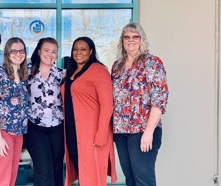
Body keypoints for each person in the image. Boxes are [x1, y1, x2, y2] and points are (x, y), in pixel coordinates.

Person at [111, 22, 169, 186]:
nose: (131, 40)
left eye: (135, 37)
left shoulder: (152, 63)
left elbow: (160, 99)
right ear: (122, 41)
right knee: (130, 179)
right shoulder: (117, 66)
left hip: (142, 131)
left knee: (143, 180)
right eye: (126, 37)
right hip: (121, 132)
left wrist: (148, 132)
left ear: (141, 39)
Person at [60, 36, 117, 186]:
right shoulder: (71, 71)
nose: (78, 52)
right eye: (75, 49)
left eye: (83, 49)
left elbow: (107, 105)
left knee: (92, 174)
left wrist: (101, 134)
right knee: (81, 170)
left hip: (91, 134)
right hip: (72, 132)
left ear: (91, 51)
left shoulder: (99, 71)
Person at [0, 37, 29, 186]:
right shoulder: (0, 73)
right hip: (2, 132)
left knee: (11, 177)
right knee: (1, 179)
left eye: (22, 50)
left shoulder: (23, 75)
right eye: (14, 51)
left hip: (18, 134)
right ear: (7, 53)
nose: (19, 54)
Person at [24, 37, 65, 186]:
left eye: (54, 51)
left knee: (56, 168)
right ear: (39, 51)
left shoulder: (62, 74)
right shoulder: (26, 73)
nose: (50, 54)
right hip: (34, 127)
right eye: (46, 50)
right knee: (43, 169)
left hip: (58, 127)